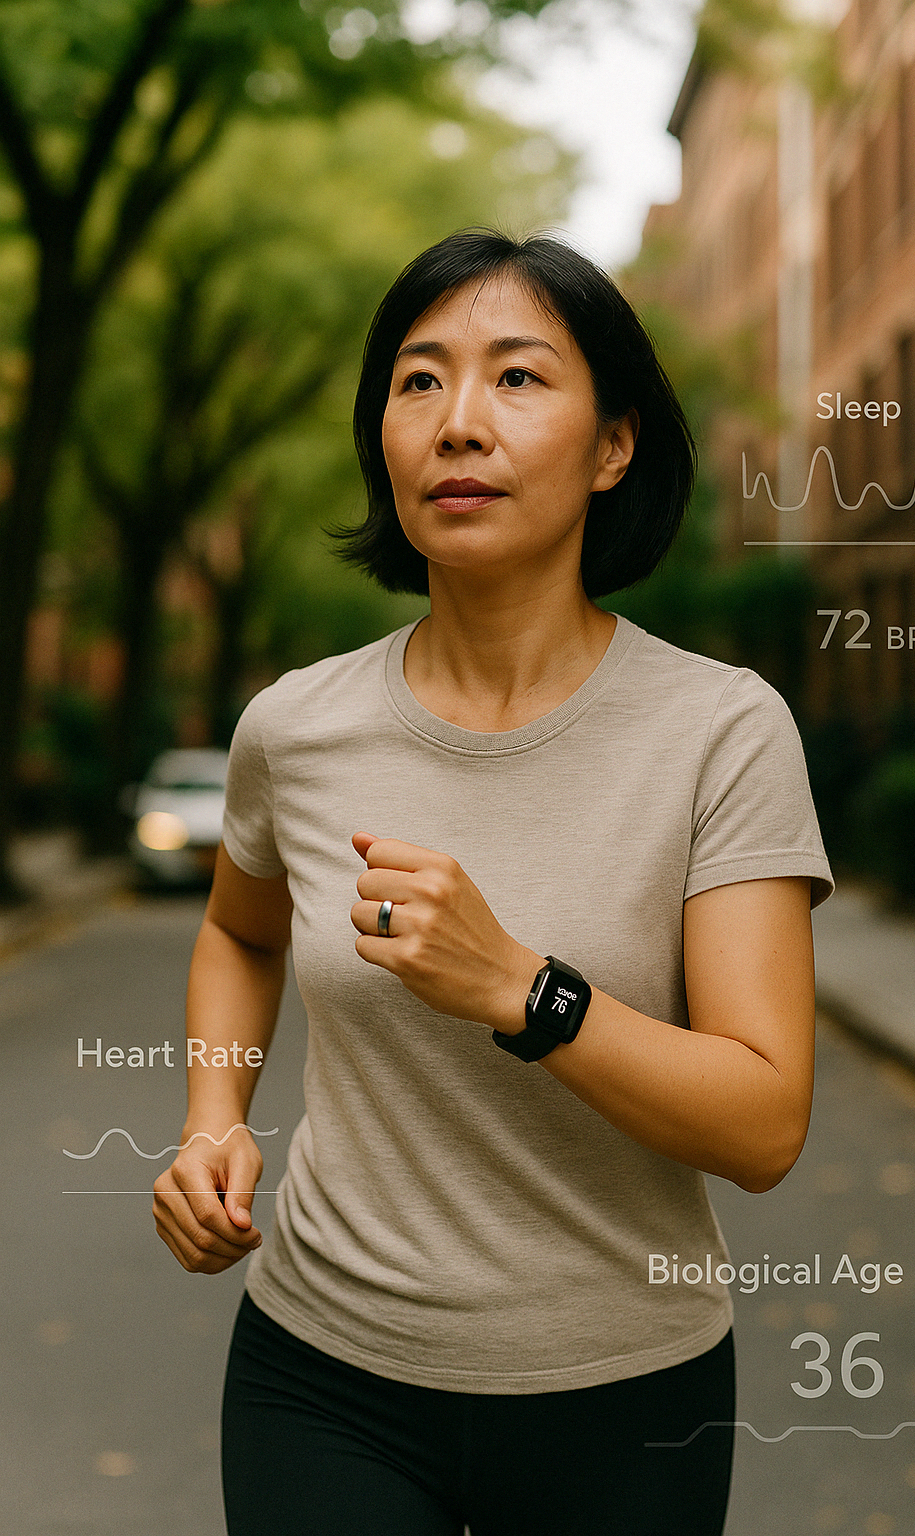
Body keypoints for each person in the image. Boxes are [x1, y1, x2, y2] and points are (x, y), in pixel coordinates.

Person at [153, 228, 834, 1536]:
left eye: (517, 379)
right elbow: (239, 935)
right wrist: (209, 1118)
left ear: (613, 445)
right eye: (418, 382)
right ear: (386, 440)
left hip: (626, 1396)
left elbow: (764, 1125)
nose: (458, 423)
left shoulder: (720, 732)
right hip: (322, 1378)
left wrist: (525, 989)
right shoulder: (294, 729)